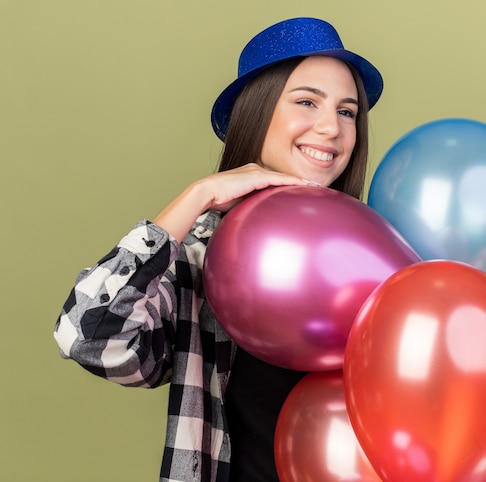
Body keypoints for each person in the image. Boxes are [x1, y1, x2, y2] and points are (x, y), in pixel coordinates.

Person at [54, 17, 383, 482]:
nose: (330, 127)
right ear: (257, 111)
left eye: (347, 111)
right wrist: (198, 197)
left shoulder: (379, 257)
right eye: (307, 101)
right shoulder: (199, 256)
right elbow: (88, 336)